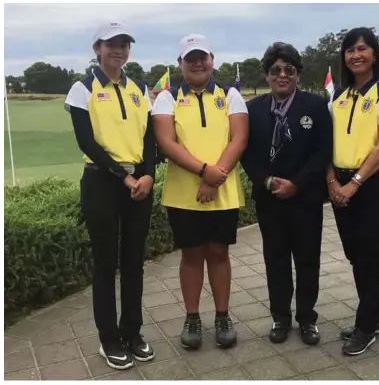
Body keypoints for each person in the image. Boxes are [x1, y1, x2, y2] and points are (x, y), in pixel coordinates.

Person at [64, 21, 156, 370]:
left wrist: (147, 173)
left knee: (134, 261)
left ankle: (132, 332)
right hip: (102, 181)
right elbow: (86, 141)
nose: (118, 50)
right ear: (97, 49)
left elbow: (149, 137)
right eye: (111, 45)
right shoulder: (82, 88)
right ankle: (109, 339)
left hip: (139, 181)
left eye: (124, 45)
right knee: (105, 263)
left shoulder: (139, 88)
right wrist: (123, 176)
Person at [152, 34, 248, 351]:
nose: (197, 63)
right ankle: (192, 317)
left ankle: (222, 316)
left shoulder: (231, 94)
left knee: (219, 253)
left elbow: (239, 139)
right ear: (180, 63)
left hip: (221, 190)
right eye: (189, 58)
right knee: (192, 255)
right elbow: (167, 142)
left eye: (201, 57)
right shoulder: (167, 98)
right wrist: (204, 171)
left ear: (212, 59)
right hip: (183, 194)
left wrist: (213, 176)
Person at [240, 42, 333, 345]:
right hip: (269, 199)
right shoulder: (252, 110)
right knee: (275, 260)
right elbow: (246, 154)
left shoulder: (315, 106)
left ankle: (307, 318)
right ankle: (280, 317)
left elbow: (322, 152)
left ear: (298, 74)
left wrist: (297, 184)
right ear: (267, 75)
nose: (282, 75)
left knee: (307, 260)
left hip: (305, 198)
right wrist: (266, 182)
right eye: (275, 70)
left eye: (289, 70)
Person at [326, 27, 379, 356]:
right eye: (350, 50)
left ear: (374, 54)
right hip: (339, 186)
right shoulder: (338, 97)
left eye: (362, 48)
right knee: (355, 255)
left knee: (370, 256)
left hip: (373, 186)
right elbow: (325, 146)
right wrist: (332, 183)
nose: (356, 55)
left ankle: (366, 324)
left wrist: (354, 184)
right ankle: (373, 316)